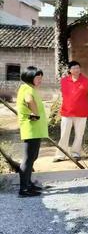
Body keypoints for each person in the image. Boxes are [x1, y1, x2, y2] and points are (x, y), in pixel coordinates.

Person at [16, 66, 48, 197]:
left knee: (32, 157)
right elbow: (29, 100)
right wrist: (35, 113)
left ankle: (28, 184)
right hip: (31, 128)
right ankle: (23, 189)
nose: (40, 80)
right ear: (30, 77)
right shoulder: (27, 89)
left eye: (41, 77)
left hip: (35, 129)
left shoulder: (29, 88)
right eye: (37, 77)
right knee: (28, 159)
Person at [53, 60, 88, 162]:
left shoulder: (86, 80)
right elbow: (61, 95)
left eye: (78, 68)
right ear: (69, 70)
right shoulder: (64, 81)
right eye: (74, 68)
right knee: (64, 133)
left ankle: (75, 153)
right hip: (66, 111)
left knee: (79, 134)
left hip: (82, 111)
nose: (76, 70)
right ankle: (60, 155)